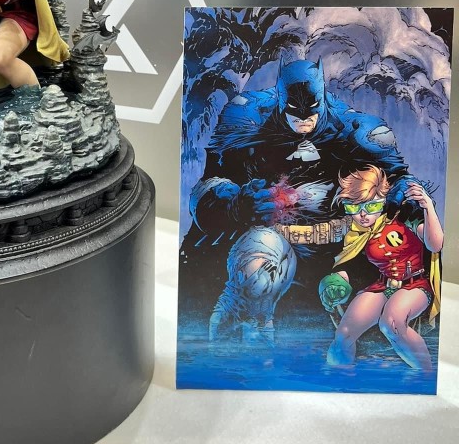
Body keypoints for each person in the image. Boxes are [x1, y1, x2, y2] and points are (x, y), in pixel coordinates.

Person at [180, 57, 415, 342]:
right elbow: (207, 187)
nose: (303, 119)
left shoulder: (358, 130)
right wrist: (236, 205)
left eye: (310, 112)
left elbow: (400, 182)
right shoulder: (247, 118)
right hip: (271, 242)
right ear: (281, 101)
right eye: (294, 112)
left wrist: (407, 199)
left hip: (345, 246)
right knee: (254, 274)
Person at [320, 166, 441, 372]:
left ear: (383, 200)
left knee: (391, 323)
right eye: (354, 208)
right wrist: (335, 282)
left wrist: (428, 206)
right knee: (344, 333)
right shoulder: (357, 232)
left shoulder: (404, 218)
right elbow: (353, 264)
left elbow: (435, 245)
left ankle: (426, 377)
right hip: (382, 286)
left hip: (414, 285)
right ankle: (338, 378)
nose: (363, 215)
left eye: (371, 206)